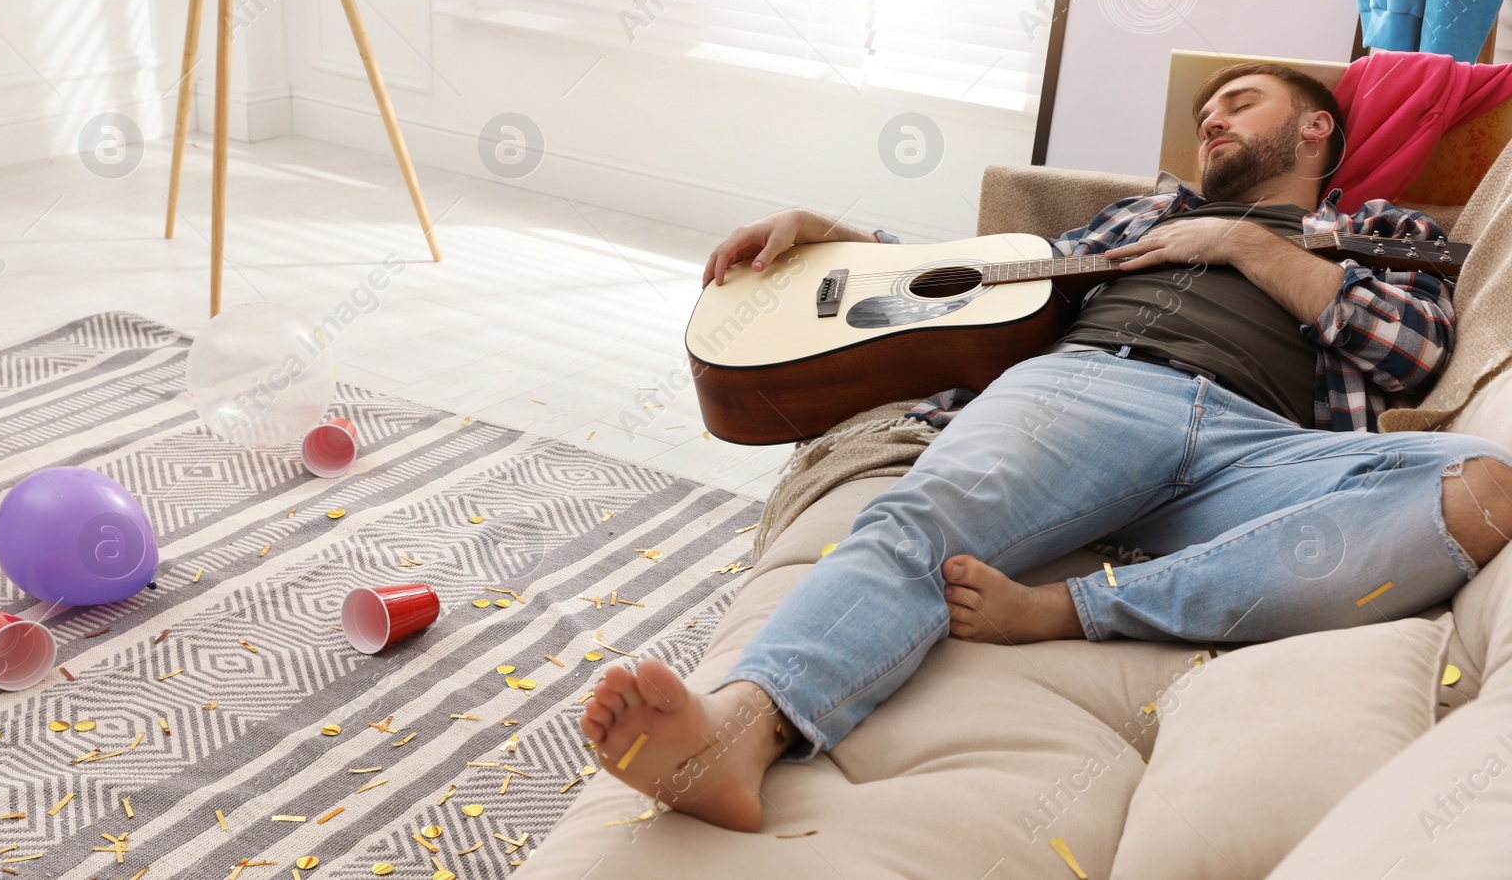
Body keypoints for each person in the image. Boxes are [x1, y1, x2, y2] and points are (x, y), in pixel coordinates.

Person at [578, 62, 1512, 832]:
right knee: (922, 519)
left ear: (1315, 129)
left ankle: (1077, 607)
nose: (1213, 123)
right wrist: (838, 236)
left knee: (1483, 487)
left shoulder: (1383, 231)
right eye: (1205, 117)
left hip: (1261, 444)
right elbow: (985, 283)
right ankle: (737, 731)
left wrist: (1242, 245)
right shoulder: (1143, 214)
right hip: (1095, 387)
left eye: (1240, 102)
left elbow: (1414, 349)